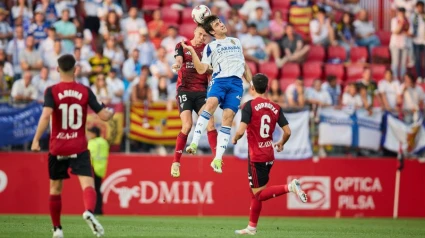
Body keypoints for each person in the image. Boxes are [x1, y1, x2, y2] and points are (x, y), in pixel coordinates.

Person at [31, 54, 114, 238]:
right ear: (75, 69)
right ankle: (89, 212)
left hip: (57, 146)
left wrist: (36, 139)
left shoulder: (51, 91)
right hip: (78, 146)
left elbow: (45, 116)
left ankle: (57, 230)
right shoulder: (84, 91)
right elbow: (104, 116)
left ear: (58, 69)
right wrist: (110, 111)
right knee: (88, 185)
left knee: (55, 189)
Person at [232, 74, 307, 235]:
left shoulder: (249, 106)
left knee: (258, 193)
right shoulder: (275, 107)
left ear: (252, 88)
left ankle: (290, 187)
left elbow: (241, 129)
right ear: (267, 88)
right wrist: (281, 143)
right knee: (256, 192)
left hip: (256, 156)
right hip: (269, 155)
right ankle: (252, 227)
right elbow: (287, 132)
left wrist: (235, 138)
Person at [181, 15, 252, 173]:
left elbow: (244, 65)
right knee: (210, 105)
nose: (221, 24)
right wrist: (192, 51)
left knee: (227, 118)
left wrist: (251, 82)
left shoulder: (236, 41)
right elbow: (201, 69)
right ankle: (194, 142)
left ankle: (218, 159)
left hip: (236, 84)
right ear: (212, 31)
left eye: (220, 21)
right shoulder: (210, 47)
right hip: (219, 81)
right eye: (217, 24)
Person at [170, 26, 218, 178]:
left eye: (205, 36)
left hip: (201, 91)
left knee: (210, 122)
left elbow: (210, 69)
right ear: (194, 32)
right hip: (184, 90)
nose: (202, 38)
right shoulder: (182, 45)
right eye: (200, 34)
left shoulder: (208, 49)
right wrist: (178, 64)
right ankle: (176, 162)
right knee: (187, 125)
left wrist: (208, 69)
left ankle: (217, 157)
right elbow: (178, 59)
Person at [87, 126, 109, 215]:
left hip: (92, 167)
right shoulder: (104, 142)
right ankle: (99, 210)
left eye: (90, 133)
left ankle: (93, 209)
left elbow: (89, 154)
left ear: (94, 133)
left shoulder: (92, 142)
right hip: (101, 168)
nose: (88, 135)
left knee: (92, 190)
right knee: (98, 190)